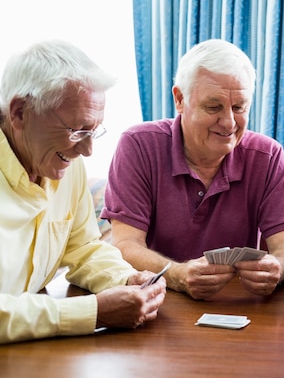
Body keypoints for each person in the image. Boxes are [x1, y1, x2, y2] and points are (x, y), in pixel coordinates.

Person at [101, 39, 284, 300]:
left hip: (236, 304)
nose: (229, 122)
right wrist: (177, 274)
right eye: (213, 107)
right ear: (179, 99)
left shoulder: (268, 156)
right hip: (157, 299)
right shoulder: (138, 145)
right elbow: (124, 245)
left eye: (239, 107)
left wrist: (278, 267)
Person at [0, 40, 167, 344]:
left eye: (94, 131)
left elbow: (82, 246)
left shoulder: (64, 163)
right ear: (20, 112)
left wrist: (127, 278)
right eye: (77, 130)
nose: (88, 151)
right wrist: (94, 312)